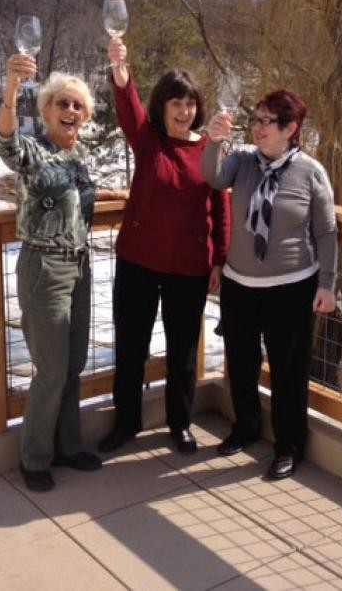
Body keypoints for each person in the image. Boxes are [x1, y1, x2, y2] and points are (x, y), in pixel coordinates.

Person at [0, 54, 125, 492]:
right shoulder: (33, 149)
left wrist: (117, 192)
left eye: (78, 106)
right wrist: (12, 89)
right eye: (62, 104)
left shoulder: (77, 156)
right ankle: (34, 457)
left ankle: (68, 446)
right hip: (43, 267)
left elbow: (75, 192)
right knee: (50, 368)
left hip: (79, 265)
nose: (70, 112)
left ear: (85, 116)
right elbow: (4, 143)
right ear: (47, 110)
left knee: (74, 364)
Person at [98, 38, 230, 455]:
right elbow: (127, 104)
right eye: (175, 102)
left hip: (189, 268)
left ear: (198, 108)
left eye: (190, 103)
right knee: (132, 346)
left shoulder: (209, 150)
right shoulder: (148, 139)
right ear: (162, 106)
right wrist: (121, 72)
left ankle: (180, 423)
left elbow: (220, 207)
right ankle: (126, 423)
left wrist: (220, 261)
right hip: (138, 262)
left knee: (183, 352)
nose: (183, 110)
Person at [203, 89, 337, 481]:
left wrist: (326, 285)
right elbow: (211, 176)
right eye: (256, 119)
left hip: (291, 287)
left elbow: (326, 232)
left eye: (267, 121)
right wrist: (213, 141)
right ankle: (245, 427)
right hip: (239, 284)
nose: (257, 128)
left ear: (290, 128)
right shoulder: (242, 161)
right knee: (241, 362)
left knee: (288, 370)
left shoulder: (310, 172)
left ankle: (288, 445)